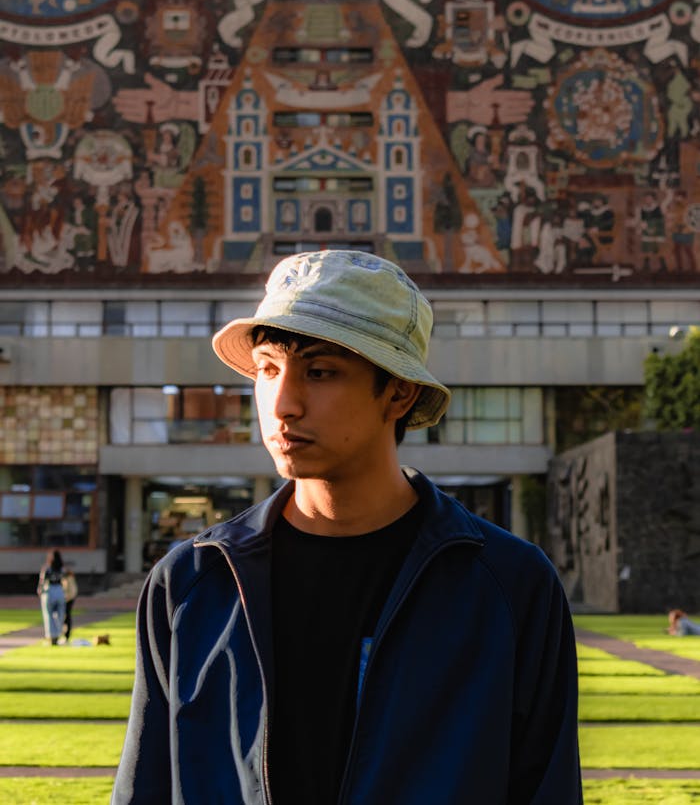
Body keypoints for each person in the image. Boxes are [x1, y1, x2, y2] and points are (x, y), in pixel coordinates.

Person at [112, 249, 582, 805]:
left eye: (321, 371)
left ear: (399, 392)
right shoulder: (192, 584)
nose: (282, 403)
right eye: (267, 369)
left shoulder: (509, 586)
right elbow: (146, 789)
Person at [37, 549, 66, 646]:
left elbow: (42, 581)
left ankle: (52, 636)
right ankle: (58, 635)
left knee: (48, 614)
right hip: (60, 591)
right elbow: (64, 579)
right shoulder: (62, 568)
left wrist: (40, 590)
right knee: (60, 614)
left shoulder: (47, 568)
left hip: (49, 590)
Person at [61, 565, 79, 641]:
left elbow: (72, 591)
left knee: (66, 617)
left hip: (68, 599)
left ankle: (66, 635)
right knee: (65, 617)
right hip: (67, 599)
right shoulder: (66, 578)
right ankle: (64, 634)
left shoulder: (68, 579)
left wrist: (66, 598)